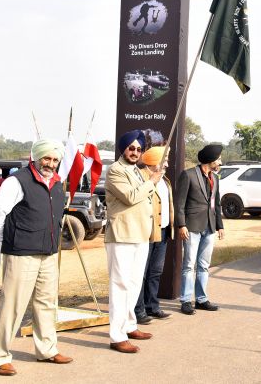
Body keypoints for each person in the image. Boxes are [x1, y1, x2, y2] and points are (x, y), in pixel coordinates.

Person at [0, 139, 73, 376]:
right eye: (47, 158)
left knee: (47, 303)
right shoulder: (16, 181)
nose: (51, 163)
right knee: (13, 306)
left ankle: (47, 349)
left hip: (48, 253)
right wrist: (4, 246)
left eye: (55, 160)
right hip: (21, 253)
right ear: (36, 157)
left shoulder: (57, 183)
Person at [105, 130, 161, 354]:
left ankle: (129, 325)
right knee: (119, 285)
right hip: (122, 235)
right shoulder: (115, 170)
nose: (135, 152)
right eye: (131, 148)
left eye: (139, 149)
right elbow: (130, 196)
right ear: (123, 148)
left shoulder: (137, 171)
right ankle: (116, 336)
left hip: (140, 234)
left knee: (134, 283)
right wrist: (152, 182)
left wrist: (151, 178)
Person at [175, 143, 225, 315]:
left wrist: (219, 225)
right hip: (191, 227)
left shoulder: (215, 178)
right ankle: (186, 300)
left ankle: (201, 299)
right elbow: (179, 203)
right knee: (189, 265)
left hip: (209, 226)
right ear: (210, 160)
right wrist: (181, 225)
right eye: (218, 159)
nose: (220, 162)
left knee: (204, 265)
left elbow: (216, 203)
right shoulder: (188, 175)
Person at [134, 146, 174, 325]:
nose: (167, 163)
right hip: (147, 232)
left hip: (163, 231)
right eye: (164, 160)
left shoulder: (164, 179)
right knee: (141, 273)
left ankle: (152, 306)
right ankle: (138, 310)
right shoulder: (141, 178)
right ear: (153, 161)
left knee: (155, 272)